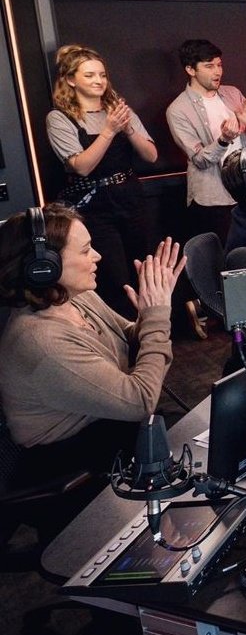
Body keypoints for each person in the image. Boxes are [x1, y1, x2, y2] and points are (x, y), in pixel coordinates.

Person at [0, 204, 185, 485]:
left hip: (109, 429)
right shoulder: (42, 341)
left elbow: (130, 339)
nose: (97, 256)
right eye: (85, 251)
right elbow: (140, 401)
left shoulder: (73, 296)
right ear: (44, 267)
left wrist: (152, 311)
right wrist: (157, 316)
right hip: (71, 466)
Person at [46, 44, 158, 317]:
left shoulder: (119, 110)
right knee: (114, 276)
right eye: (89, 75)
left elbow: (151, 155)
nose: (99, 81)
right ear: (70, 80)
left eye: (102, 75)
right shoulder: (59, 118)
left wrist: (127, 127)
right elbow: (82, 167)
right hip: (95, 207)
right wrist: (108, 131)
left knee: (143, 267)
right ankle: (125, 335)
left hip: (131, 196)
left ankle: (155, 328)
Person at [166, 38, 246, 245]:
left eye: (219, 65)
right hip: (213, 198)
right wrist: (223, 140)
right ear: (190, 69)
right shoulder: (178, 110)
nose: (217, 72)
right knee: (223, 257)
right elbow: (200, 160)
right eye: (209, 66)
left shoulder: (232, 93)